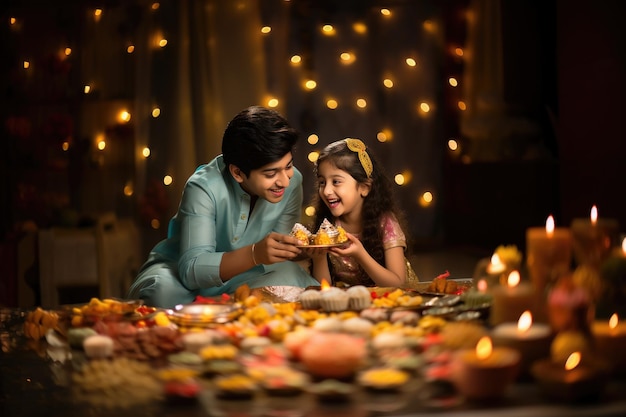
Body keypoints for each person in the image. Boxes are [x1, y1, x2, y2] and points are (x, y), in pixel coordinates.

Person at [127, 106, 319, 308]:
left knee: (293, 283)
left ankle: (222, 308)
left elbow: (277, 255)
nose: (284, 182)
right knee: (161, 296)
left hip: (246, 276)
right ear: (237, 173)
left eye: (288, 166)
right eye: (270, 174)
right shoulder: (203, 186)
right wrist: (254, 253)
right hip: (180, 277)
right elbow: (191, 270)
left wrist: (307, 249)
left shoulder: (293, 181)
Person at [306, 138, 419, 287]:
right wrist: (319, 259)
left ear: (364, 187)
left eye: (336, 182)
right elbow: (325, 289)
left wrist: (360, 255)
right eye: (322, 182)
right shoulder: (328, 225)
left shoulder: (385, 223)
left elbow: (398, 284)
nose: (326, 191)